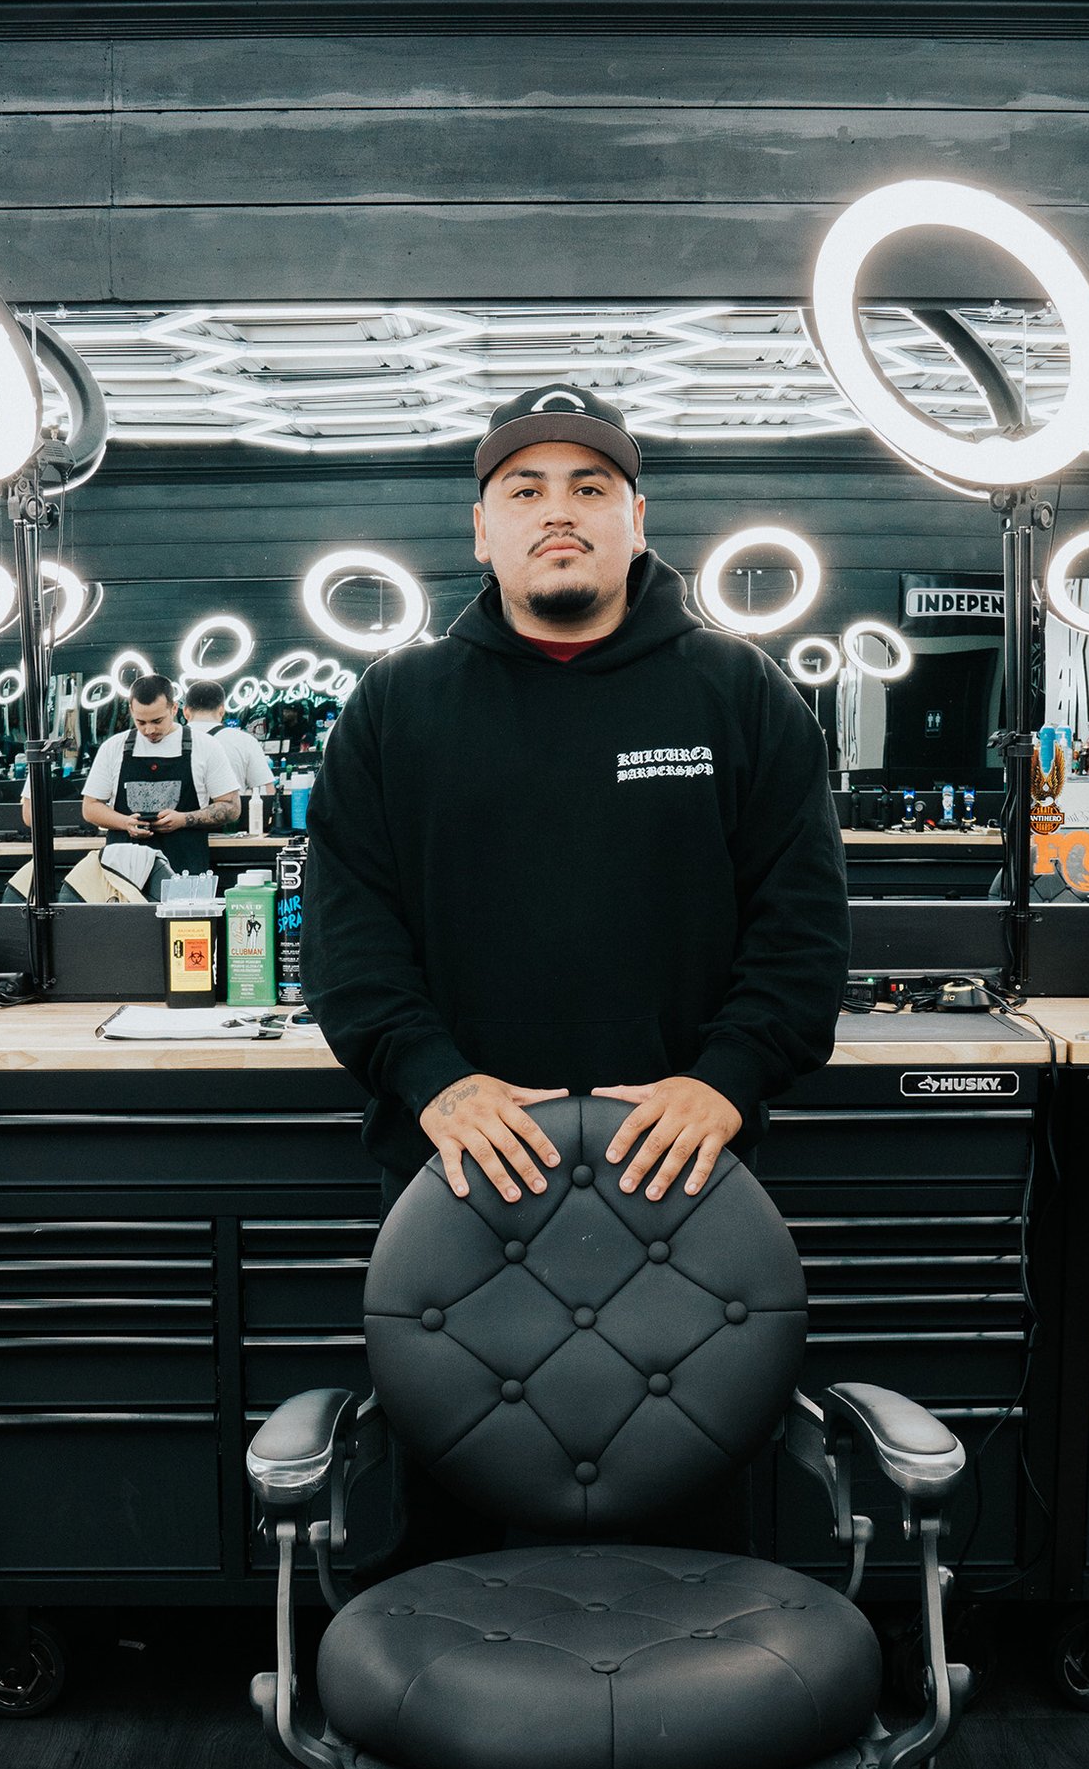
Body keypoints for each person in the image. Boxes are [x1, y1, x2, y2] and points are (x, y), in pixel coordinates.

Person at [305, 380, 846, 1206]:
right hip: (454, 1164)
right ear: (484, 532)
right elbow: (348, 934)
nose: (559, 510)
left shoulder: (743, 692)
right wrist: (435, 1081)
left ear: (636, 521)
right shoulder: (395, 704)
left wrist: (727, 1080)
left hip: (684, 1169)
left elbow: (800, 928)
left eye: (590, 487)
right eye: (526, 490)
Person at [81, 672, 241, 883]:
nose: (149, 730)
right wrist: (125, 822)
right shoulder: (114, 748)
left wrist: (184, 819)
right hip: (124, 875)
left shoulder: (205, 746)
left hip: (185, 874)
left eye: (157, 721)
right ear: (131, 711)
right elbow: (90, 807)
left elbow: (231, 807)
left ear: (174, 709)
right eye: (141, 722)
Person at [181, 678, 272, 806]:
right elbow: (266, 791)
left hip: (182, 822)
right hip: (231, 822)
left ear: (185, 711)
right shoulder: (244, 740)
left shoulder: (172, 739)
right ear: (222, 710)